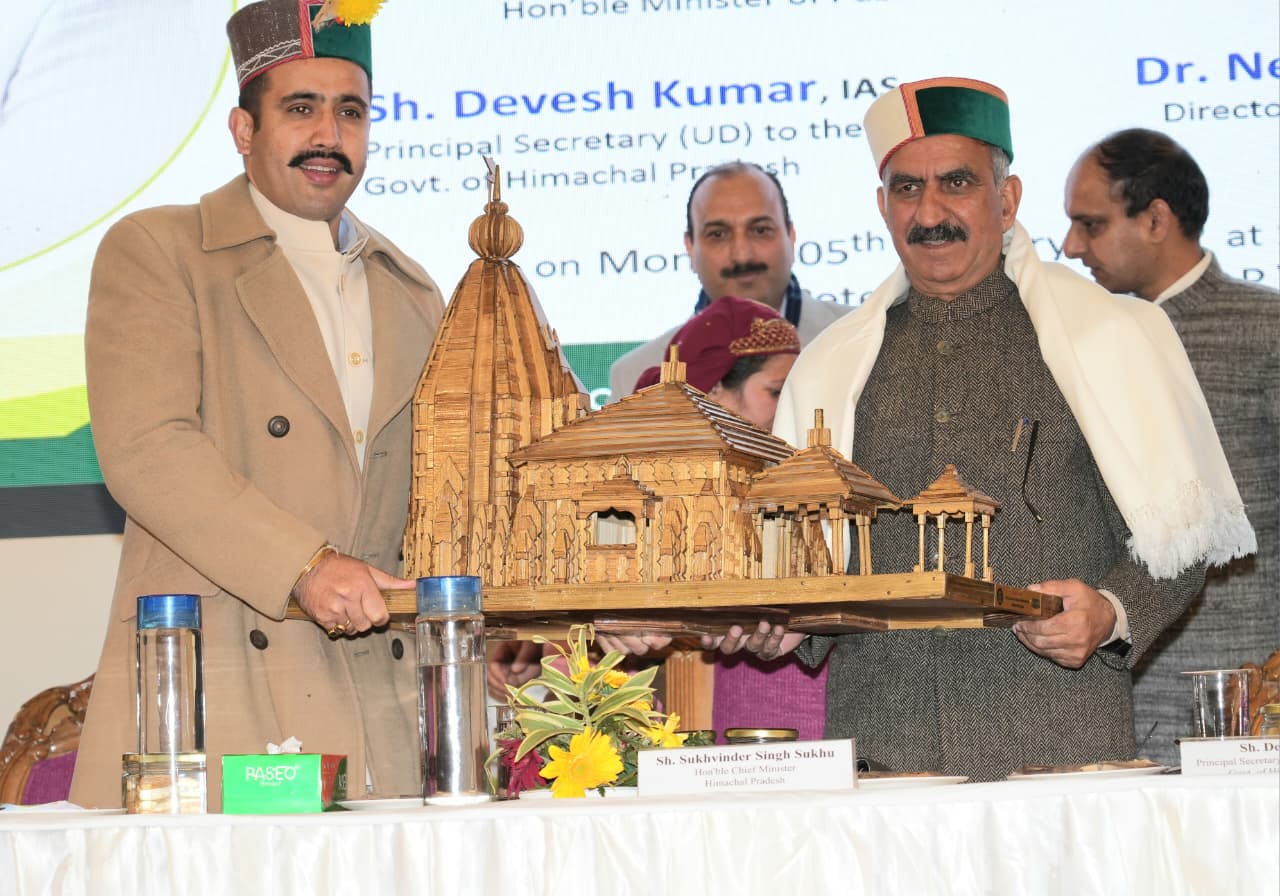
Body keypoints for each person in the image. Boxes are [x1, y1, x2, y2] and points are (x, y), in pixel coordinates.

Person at [742, 77, 1251, 781]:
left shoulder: (1105, 337)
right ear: (882, 207)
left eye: (957, 183)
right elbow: (800, 571)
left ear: (1007, 200)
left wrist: (1111, 612)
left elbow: (1181, 541)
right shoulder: (832, 367)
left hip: (1061, 753)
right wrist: (780, 622)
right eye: (907, 189)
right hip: (885, 762)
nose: (930, 212)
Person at [70, 0, 446, 810]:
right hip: (219, 676)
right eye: (301, 109)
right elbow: (146, 449)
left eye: (351, 112)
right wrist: (306, 566)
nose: (329, 135)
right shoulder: (160, 249)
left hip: (378, 691)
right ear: (244, 130)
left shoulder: (413, 290)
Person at [1063, 128, 1279, 762]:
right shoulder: (1082, 342)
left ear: (1156, 219)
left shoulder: (1265, 331)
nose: (1071, 246)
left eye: (1091, 224)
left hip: (1248, 702)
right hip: (1102, 702)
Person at [622, 295, 828, 738]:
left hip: (802, 692)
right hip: (697, 702)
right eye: (777, 392)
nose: (791, 407)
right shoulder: (635, 486)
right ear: (713, 391)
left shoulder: (805, 477)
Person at [606, 161, 850, 402]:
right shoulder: (634, 377)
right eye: (718, 234)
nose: (742, 255)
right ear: (690, 247)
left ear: (791, 237)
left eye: (760, 230)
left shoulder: (861, 338)